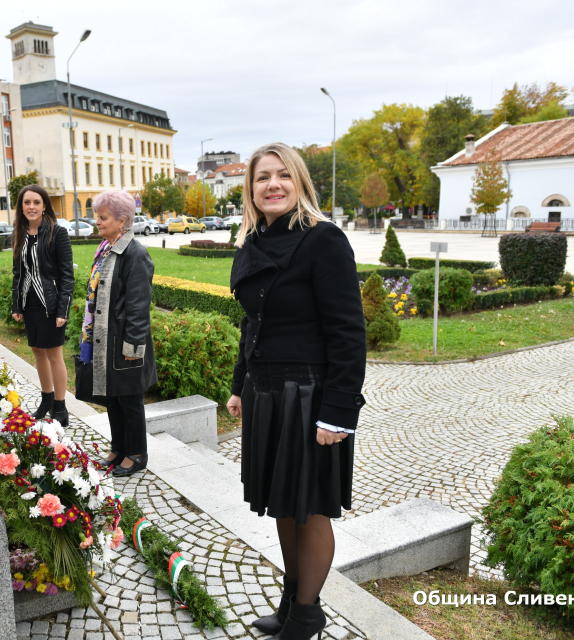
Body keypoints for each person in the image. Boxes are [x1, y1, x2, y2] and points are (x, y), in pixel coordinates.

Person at [226, 143, 367, 640]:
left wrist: (339, 412)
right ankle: (292, 602)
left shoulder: (323, 241)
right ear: (251, 189)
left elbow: (348, 332)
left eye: (283, 175)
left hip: (310, 397)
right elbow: (252, 322)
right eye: (263, 177)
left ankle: (307, 616)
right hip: (266, 394)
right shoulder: (252, 242)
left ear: (301, 183)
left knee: (308, 508)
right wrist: (240, 384)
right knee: (283, 503)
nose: (273, 185)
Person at [78, 190, 156, 477]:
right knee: (113, 398)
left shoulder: (135, 254)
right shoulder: (106, 248)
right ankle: (118, 447)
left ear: (122, 220)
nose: (96, 221)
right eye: (97, 216)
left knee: (129, 399)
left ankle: (136, 453)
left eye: (102, 217)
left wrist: (132, 350)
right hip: (105, 341)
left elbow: (138, 307)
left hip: (125, 342)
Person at [10, 185, 75, 426]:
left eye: (36, 202)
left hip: (51, 302)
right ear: (22, 207)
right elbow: (18, 273)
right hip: (30, 303)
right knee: (38, 352)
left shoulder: (58, 233)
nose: (31, 207)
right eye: (27, 202)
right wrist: (16, 305)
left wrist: (63, 309)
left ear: (44, 205)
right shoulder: (20, 233)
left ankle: (60, 406)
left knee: (54, 354)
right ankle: (46, 400)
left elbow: (67, 275)